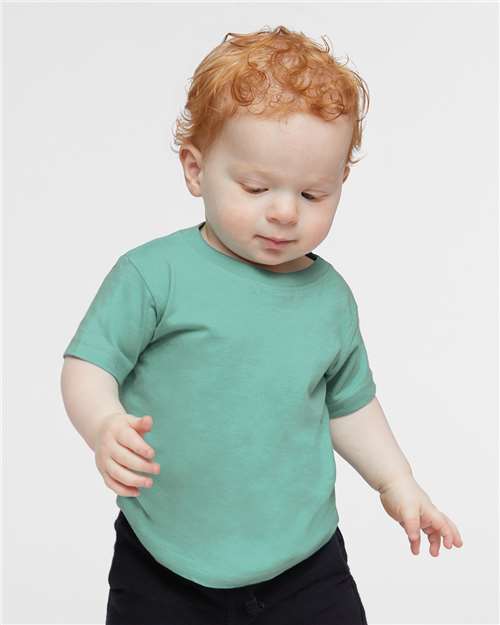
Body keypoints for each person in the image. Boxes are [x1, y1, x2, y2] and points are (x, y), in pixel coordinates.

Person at [60, 25, 463, 625]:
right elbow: (88, 363)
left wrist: (396, 481)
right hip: (165, 560)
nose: (283, 211)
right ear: (195, 169)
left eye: (313, 194)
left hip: (304, 564)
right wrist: (103, 423)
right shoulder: (154, 275)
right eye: (254, 187)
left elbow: (349, 404)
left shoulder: (329, 298)